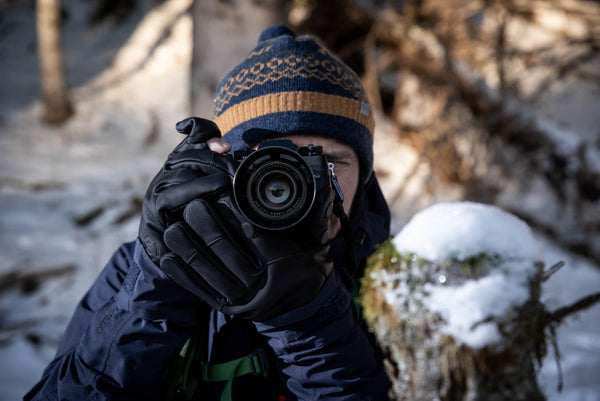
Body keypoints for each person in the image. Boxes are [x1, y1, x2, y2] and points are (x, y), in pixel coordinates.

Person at [25, 25, 392, 401]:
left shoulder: (397, 286)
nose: (303, 185)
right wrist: (160, 283)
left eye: (328, 161)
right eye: (270, 164)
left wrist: (309, 318)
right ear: (227, 164)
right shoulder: (136, 270)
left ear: (365, 176)